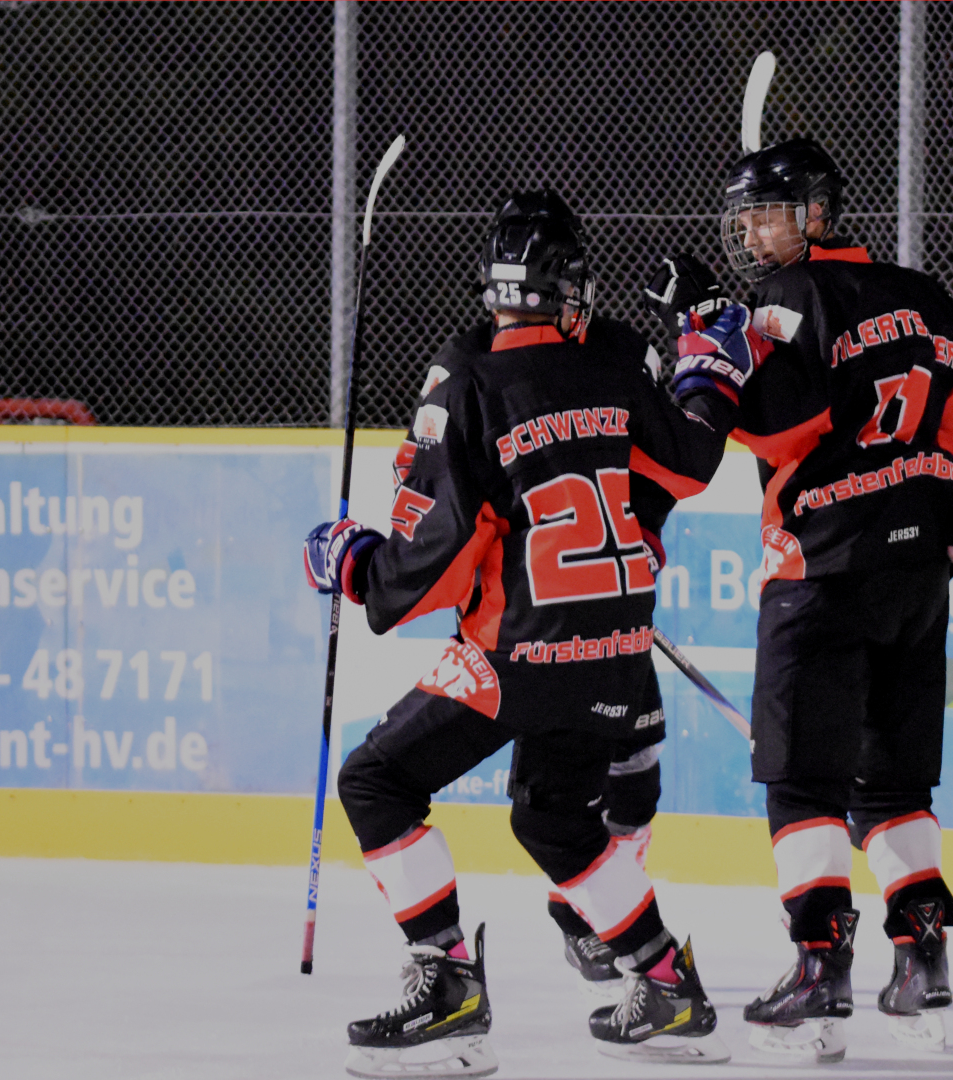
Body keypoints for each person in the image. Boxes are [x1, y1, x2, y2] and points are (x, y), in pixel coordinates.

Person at [304, 191, 738, 1078]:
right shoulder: (616, 359)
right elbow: (689, 462)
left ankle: (448, 984)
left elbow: (443, 555)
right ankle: (664, 981)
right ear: (567, 289)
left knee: (376, 781)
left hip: (522, 651)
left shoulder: (470, 387)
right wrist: (701, 358)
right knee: (553, 821)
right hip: (614, 647)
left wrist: (354, 567)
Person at [645, 136, 953, 1059]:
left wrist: (712, 339)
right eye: (746, 216)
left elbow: (784, 424)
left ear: (819, 215)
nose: (753, 230)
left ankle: (819, 964)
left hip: (822, 573)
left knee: (803, 779)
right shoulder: (927, 297)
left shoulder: (790, 302)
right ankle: (923, 952)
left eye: (769, 213)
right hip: (918, 573)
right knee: (893, 778)